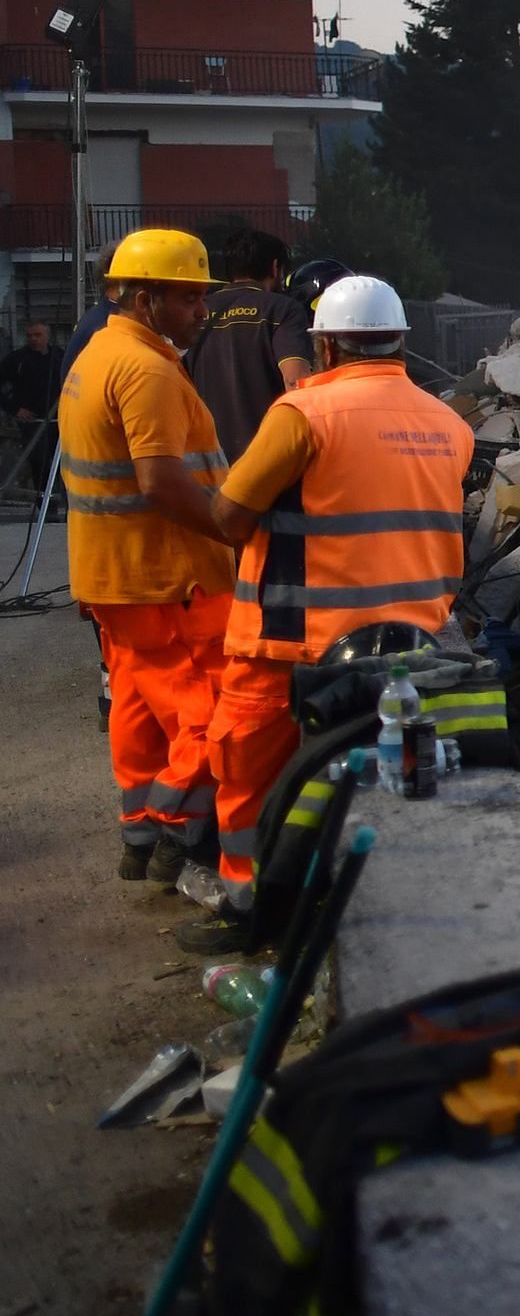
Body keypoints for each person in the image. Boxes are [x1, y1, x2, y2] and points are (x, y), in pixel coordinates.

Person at [174, 274, 469, 953]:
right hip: (407, 646)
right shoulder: (448, 423)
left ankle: (251, 909)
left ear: (328, 346)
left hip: (292, 641)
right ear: (399, 342)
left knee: (245, 771)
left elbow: (228, 515)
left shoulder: (303, 414)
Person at [57, 229, 234, 896]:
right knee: (212, 708)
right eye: (188, 297)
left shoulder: (98, 353)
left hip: (116, 578)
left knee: (137, 707)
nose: (201, 311)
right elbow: (160, 480)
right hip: (168, 579)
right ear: (142, 296)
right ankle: (170, 830)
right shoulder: (147, 369)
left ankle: (137, 831)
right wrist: (232, 526)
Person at [188, 231, 316, 460]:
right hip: (268, 460)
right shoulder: (283, 309)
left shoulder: (198, 312)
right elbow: (295, 382)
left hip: (209, 460)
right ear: (275, 268)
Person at [3, 320, 62, 484]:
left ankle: (58, 502)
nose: (34, 339)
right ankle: (42, 501)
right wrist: (14, 409)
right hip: (32, 421)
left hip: (58, 419)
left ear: (47, 336)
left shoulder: (58, 356)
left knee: (60, 463)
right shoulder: (16, 360)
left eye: (38, 335)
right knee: (39, 462)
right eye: (30, 336)